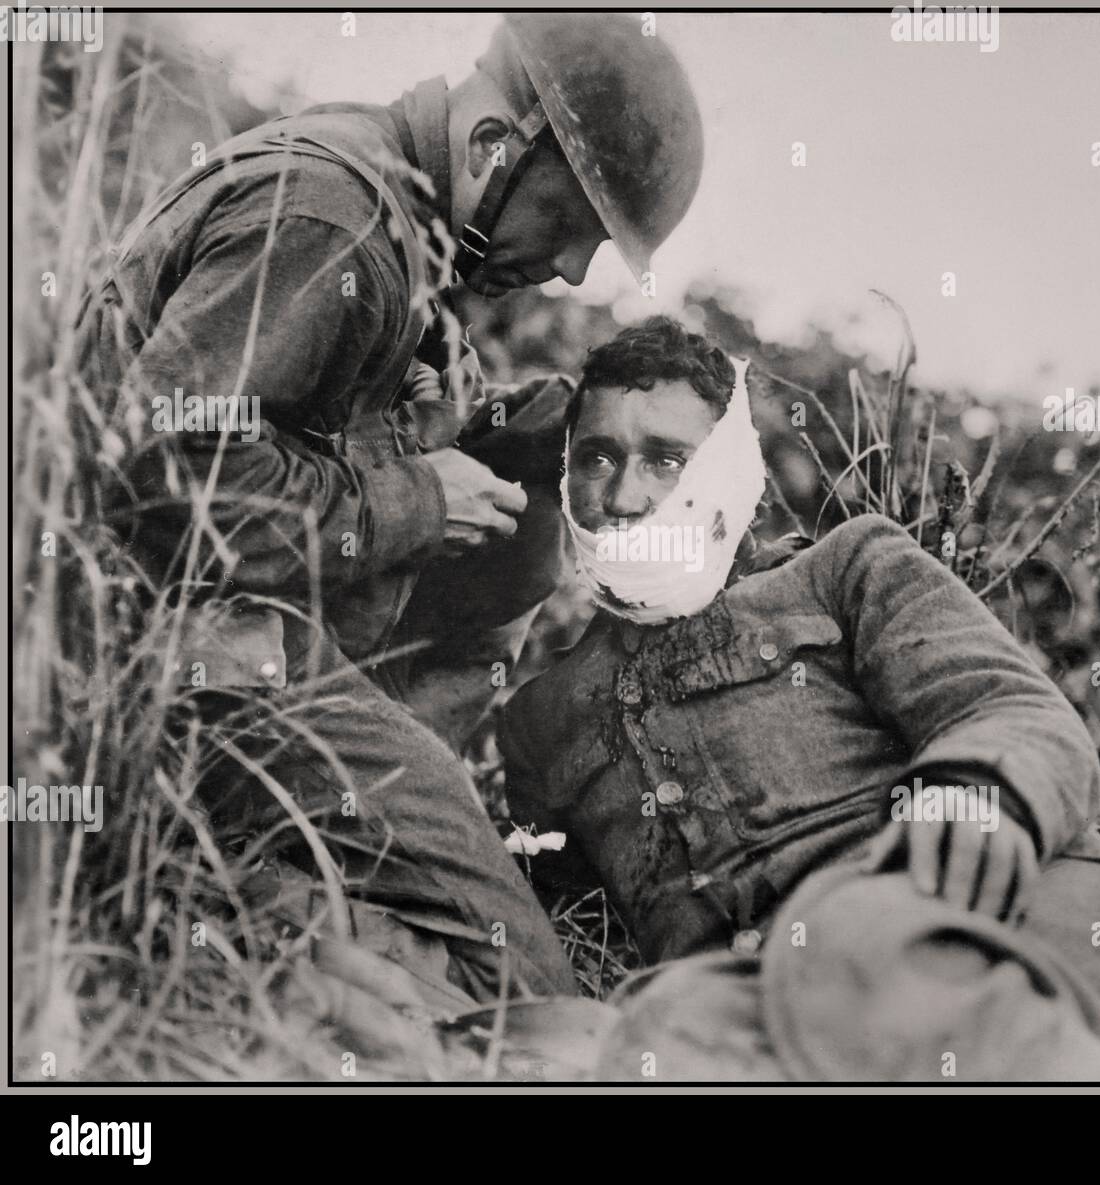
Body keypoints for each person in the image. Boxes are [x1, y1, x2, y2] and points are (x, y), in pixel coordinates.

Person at [74, 15, 704, 1003]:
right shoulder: (337, 212)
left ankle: (343, 821)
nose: (573, 269)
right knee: (523, 973)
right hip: (150, 645)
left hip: (231, 614)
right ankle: (277, 874)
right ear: (499, 146)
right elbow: (155, 475)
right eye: (571, 225)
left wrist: (478, 429)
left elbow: (287, 424)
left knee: (528, 519)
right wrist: (416, 500)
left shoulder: (396, 203)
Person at [498, 316, 1100, 1079]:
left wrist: (977, 800)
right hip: (764, 993)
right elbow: (547, 896)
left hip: (987, 902)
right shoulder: (539, 721)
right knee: (661, 1031)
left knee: (860, 936)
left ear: (728, 473)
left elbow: (1009, 707)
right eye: (597, 457)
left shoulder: (845, 567)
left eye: (668, 459)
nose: (627, 494)